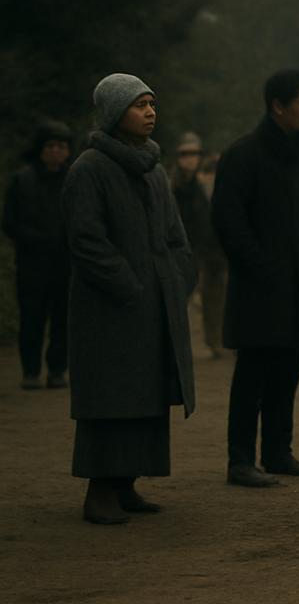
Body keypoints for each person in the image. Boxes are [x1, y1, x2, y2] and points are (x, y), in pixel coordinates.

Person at [62, 75, 196, 523]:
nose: (150, 112)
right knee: (111, 398)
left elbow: (175, 236)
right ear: (114, 113)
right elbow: (86, 241)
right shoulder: (89, 168)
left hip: (154, 305)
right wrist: (129, 285)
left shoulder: (154, 169)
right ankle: (99, 491)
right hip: (109, 309)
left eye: (152, 103)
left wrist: (177, 276)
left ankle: (127, 484)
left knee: (146, 395)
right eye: (139, 105)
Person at [213, 69, 299, 487]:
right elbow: (228, 222)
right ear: (278, 106)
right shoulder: (243, 155)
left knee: (289, 370)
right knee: (253, 374)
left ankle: (278, 452)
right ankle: (240, 460)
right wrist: (262, 267)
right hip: (260, 287)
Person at [4, 121, 74, 389]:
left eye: (61, 146)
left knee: (62, 320)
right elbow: (9, 222)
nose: (55, 150)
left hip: (64, 263)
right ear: (40, 149)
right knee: (31, 318)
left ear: (68, 150)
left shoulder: (74, 178)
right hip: (32, 263)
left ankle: (57, 370)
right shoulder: (22, 180)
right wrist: (35, 238)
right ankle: (30, 372)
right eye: (50, 145)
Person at [169, 132, 227, 359]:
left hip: (212, 247)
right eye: (185, 154)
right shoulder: (174, 185)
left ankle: (216, 342)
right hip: (186, 248)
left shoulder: (208, 183)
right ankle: (172, 344)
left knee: (216, 298)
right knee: (178, 297)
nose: (190, 158)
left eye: (194, 153)